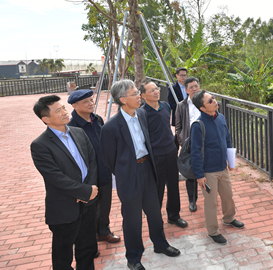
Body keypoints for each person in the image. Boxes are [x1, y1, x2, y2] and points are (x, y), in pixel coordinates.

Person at [100, 79, 180, 270]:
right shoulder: (110, 127)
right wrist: (125, 171)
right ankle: (134, 258)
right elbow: (108, 159)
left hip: (148, 169)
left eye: (138, 92)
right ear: (122, 99)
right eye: (135, 94)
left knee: (154, 213)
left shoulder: (142, 115)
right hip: (129, 176)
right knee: (132, 220)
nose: (139, 97)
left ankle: (160, 244)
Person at [30, 95, 98, 270]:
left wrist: (89, 190)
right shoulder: (40, 145)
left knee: (87, 250)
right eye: (58, 110)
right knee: (63, 257)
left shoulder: (78, 132)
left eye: (63, 108)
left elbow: (91, 162)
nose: (64, 112)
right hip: (64, 209)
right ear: (46, 119)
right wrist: (83, 191)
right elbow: (55, 177)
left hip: (88, 205)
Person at [67, 90, 121, 245]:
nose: (91, 104)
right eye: (86, 102)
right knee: (89, 208)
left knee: (105, 203)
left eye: (91, 100)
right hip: (87, 174)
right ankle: (89, 241)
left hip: (104, 169)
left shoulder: (97, 119)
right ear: (75, 105)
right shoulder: (71, 127)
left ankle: (103, 231)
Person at [190, 90, 244, 244]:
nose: (214, 101)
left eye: (213, 98)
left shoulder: (220, 118)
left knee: (228, 196)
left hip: (223, 168)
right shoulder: (197, 125)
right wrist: (200, 175)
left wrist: (230, 159)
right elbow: (195, 152)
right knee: (211, 202)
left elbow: (227, 139)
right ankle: (213, 231)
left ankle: (229, 218)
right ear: (202, 108)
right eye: (210, 101)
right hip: (208, 172)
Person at [139, 80, 188, 228]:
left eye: (156, 89)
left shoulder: (166, 106)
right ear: (143, 95)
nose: (156, 92)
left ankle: (174, 216)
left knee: (173, 185)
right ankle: (155, 218)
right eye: (151, 90)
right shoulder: (142, 112)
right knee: (157, 189)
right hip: (155, 155)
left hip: (171, 151)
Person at [175, 76, 201, 212]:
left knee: (210, 170)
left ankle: (212, 196)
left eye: (196, 86)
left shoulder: (207, 101)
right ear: (186, 90)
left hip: (206, 142)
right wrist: (183, 141)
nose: (195, 89)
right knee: (191, 173)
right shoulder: (181, 106)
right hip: (190, 143)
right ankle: (192, 200)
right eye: (191, 87)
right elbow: (178, 127)